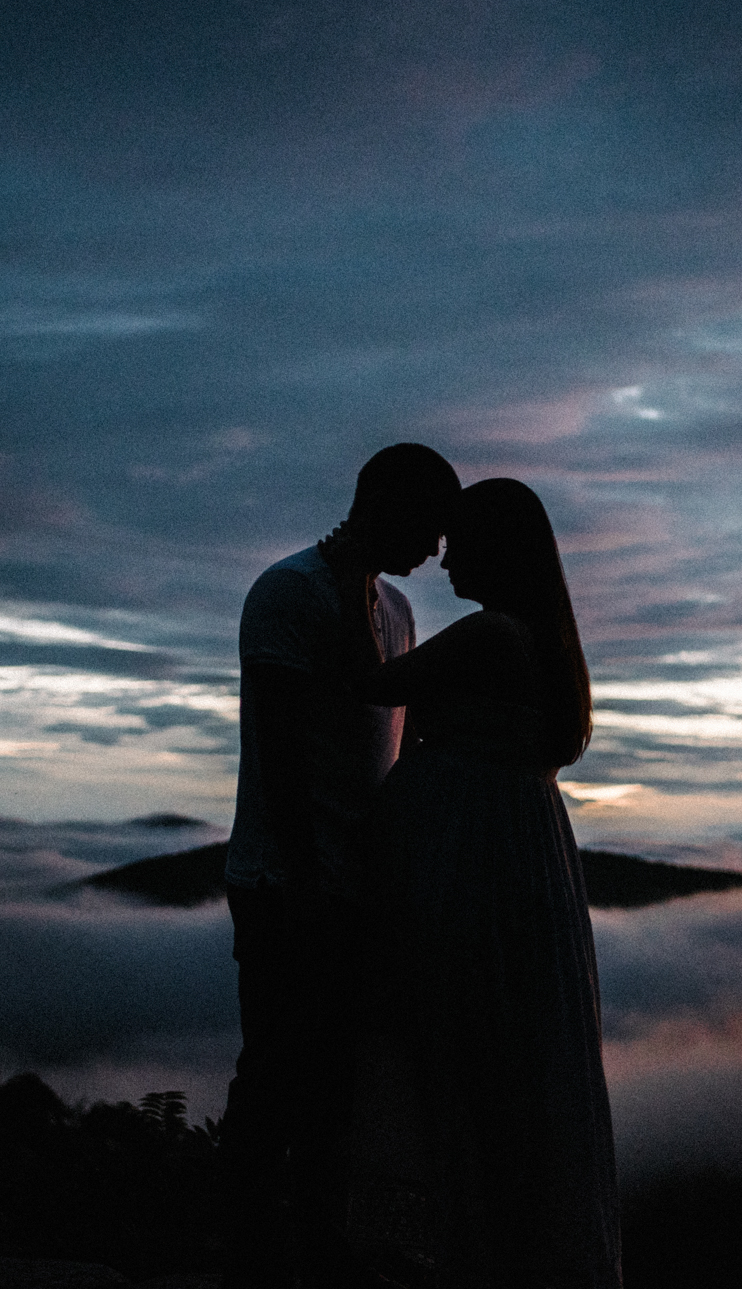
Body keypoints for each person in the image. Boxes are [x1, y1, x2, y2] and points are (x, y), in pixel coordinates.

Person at [347, 478, 623, 1289]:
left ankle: (469, 1246)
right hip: (515, 854)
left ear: (494, 551)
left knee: (463, 1047)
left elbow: (366, 683)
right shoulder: (535, 641)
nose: (443, 558)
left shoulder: (491, 636)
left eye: (458, 540)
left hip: (470, 859)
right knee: (512, 1057)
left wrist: (352, 576)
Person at [220, 443, 464, 1289]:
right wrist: (306, 888)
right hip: (284, 884)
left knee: (337, 1091)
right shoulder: (288, 592)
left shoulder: (394, 609)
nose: (437, 550)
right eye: (429, 527)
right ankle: (247, 1259)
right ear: (385, 507)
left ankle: (319, 1253)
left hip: (357, 890)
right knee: (275, 1079)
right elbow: (282, 757)